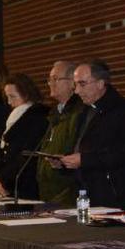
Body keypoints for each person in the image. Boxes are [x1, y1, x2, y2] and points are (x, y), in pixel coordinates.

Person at [59, 59, 125, 209]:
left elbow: (123, 152)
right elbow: (83, 146)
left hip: (110, 195)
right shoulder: (85, 109)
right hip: (85, 191)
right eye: (75, 85)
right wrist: (65, 160)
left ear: (101, 84)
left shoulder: (123, 110)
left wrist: (84, 160)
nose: (76, 91)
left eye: (82, 84)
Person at [36, 61, 85, 204]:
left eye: (56, 79)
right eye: (49, 79)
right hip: (49, 192)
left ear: (72, 83)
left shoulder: (79, 113)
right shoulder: (55, 113)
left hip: (68, 194)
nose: (50, 83)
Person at [0, 73, 48, 200]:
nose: (9, 102)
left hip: (25, 183)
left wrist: (6, 181)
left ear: (26, 94)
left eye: (13, 97)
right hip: (10, 182)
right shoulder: (14, 116)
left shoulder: (36, 118)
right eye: (7, 97)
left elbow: (23, 153)